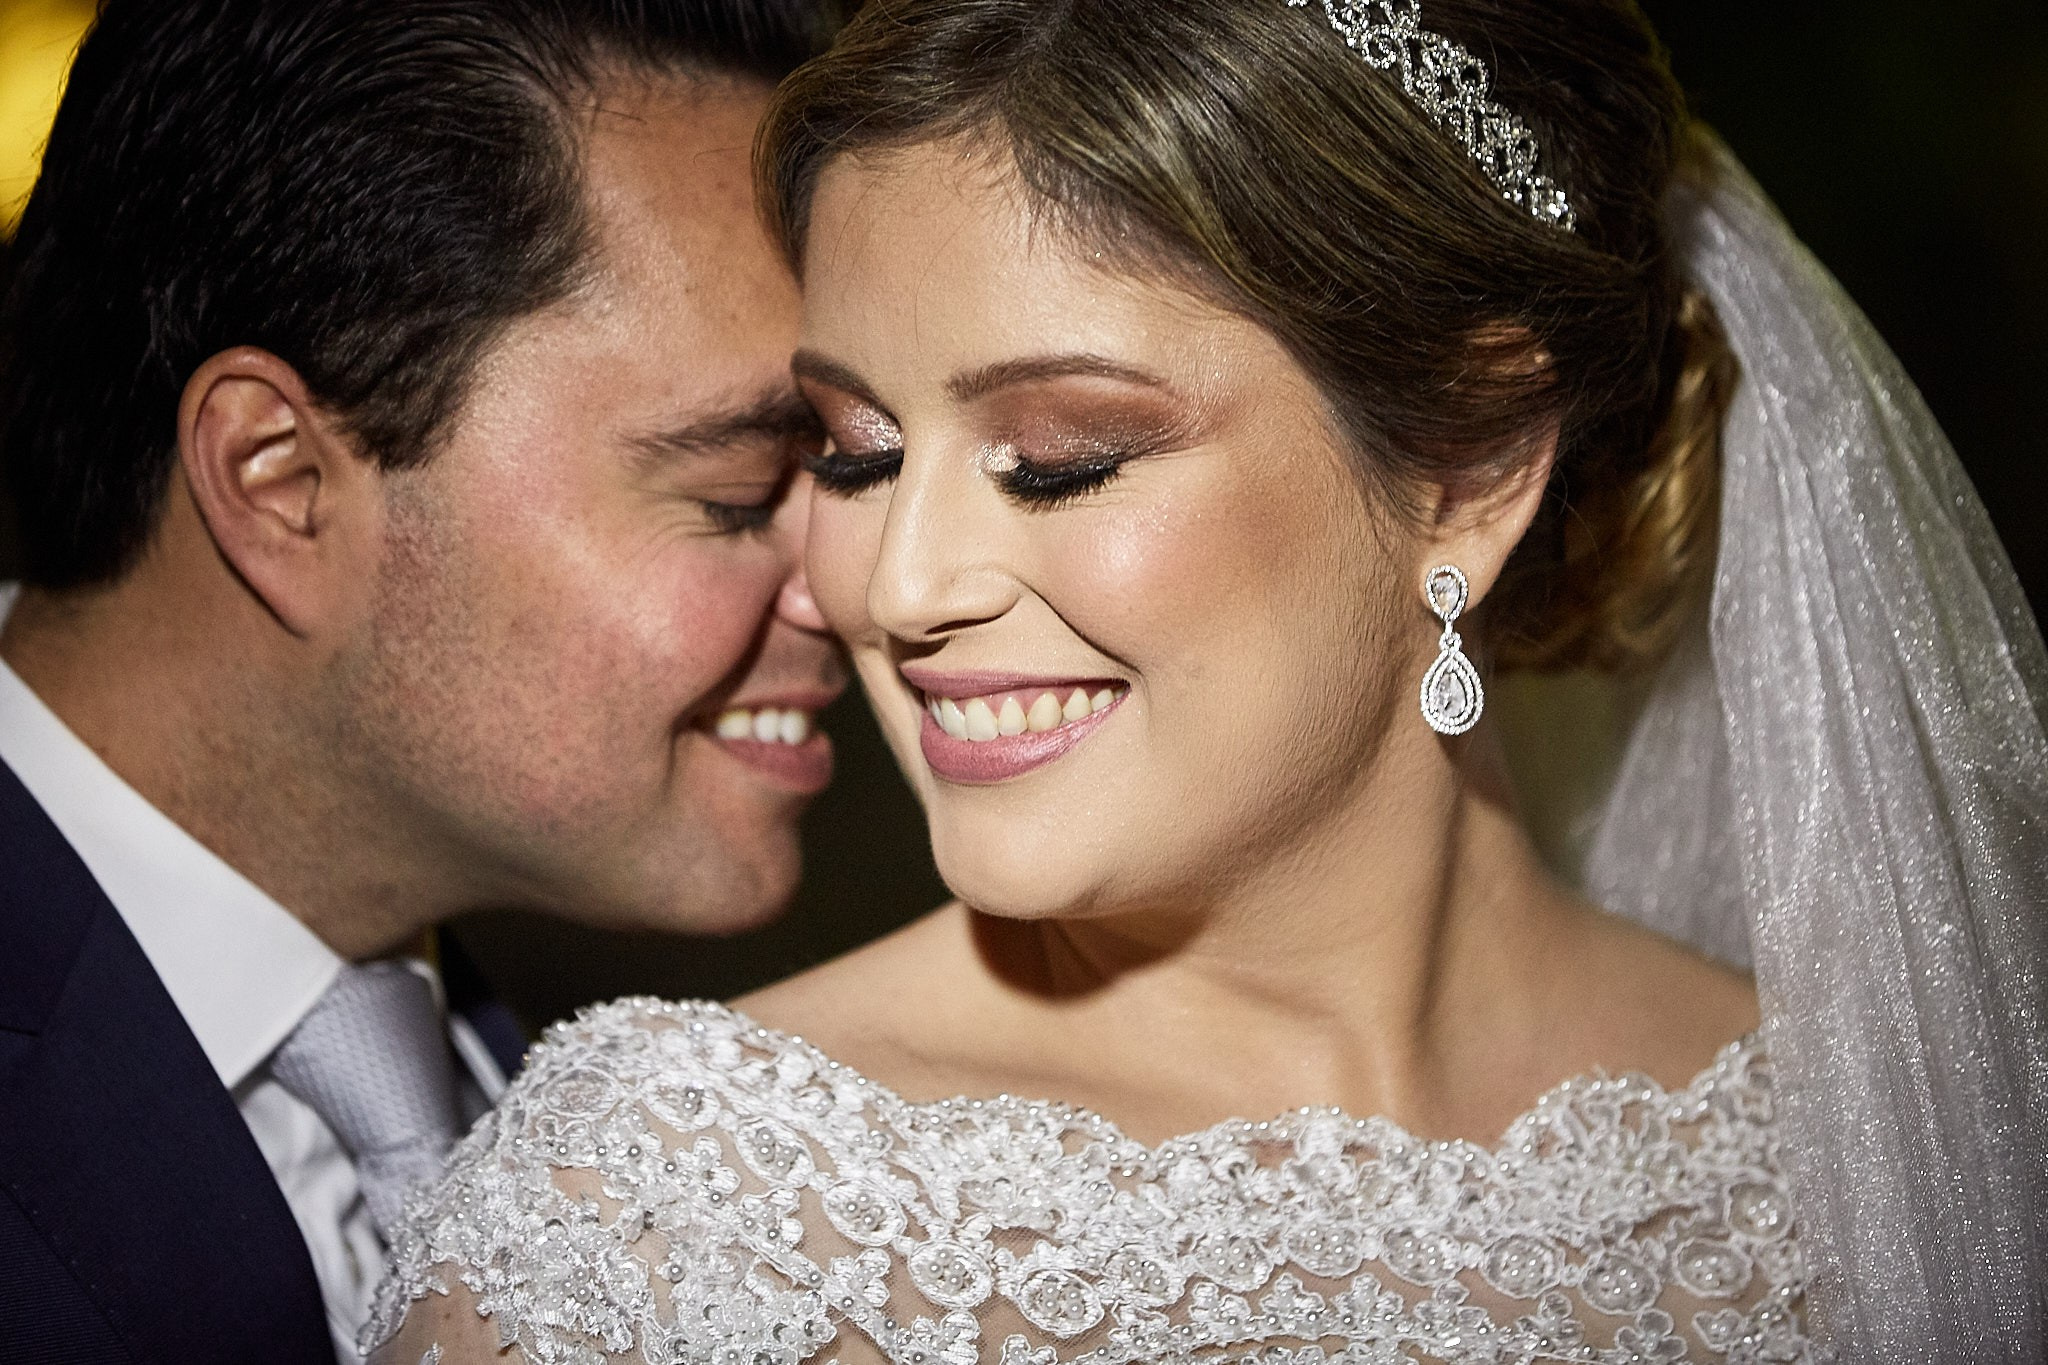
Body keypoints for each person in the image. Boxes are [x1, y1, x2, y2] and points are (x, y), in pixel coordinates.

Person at [366, 0, 2048, 1361]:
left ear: (1468, 460)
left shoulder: (1883, 1137)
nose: (896, 584)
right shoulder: (660, 1224)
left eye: (1059, 457)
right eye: (859, 449)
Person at [0, 1, 848, 1360]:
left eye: (848, 467)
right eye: (744, 491)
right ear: (281, 480)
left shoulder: (592, 1104)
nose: (864, 583)